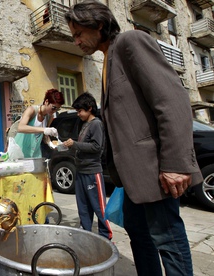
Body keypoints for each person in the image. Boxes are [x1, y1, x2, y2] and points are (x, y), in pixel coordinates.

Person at [65, 2, 203, 275]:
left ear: (99, 25)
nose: (77, 41)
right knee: (139, 235)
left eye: (79, 33)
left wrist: (176, 164)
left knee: (168, 239)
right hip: (131, 178)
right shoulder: (107, 59)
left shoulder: (130, 42)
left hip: (154, 171)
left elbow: (172, 100)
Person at [63, 92, 112, 240]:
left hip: (92, 172)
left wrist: (75, 144)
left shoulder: (96, 124)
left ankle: (106, 236)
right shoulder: (85, 125)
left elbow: (97, 147)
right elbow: (83, 146)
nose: (78, 114)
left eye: (80, 111)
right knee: (83, 207)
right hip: (81, 171)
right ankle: (86, 233)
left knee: (99, 207)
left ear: (89, 108)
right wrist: (70, 146)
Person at [14, 88, 64, 158]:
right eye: (53, 107)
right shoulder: (32, 110)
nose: (55, 111)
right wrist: (44, 129)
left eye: (57, 109)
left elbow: (44, 135)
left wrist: (51, 144)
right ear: (46, 102)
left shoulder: (49, 117)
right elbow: (20, 127)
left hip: (35, 154)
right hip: (20, 152)